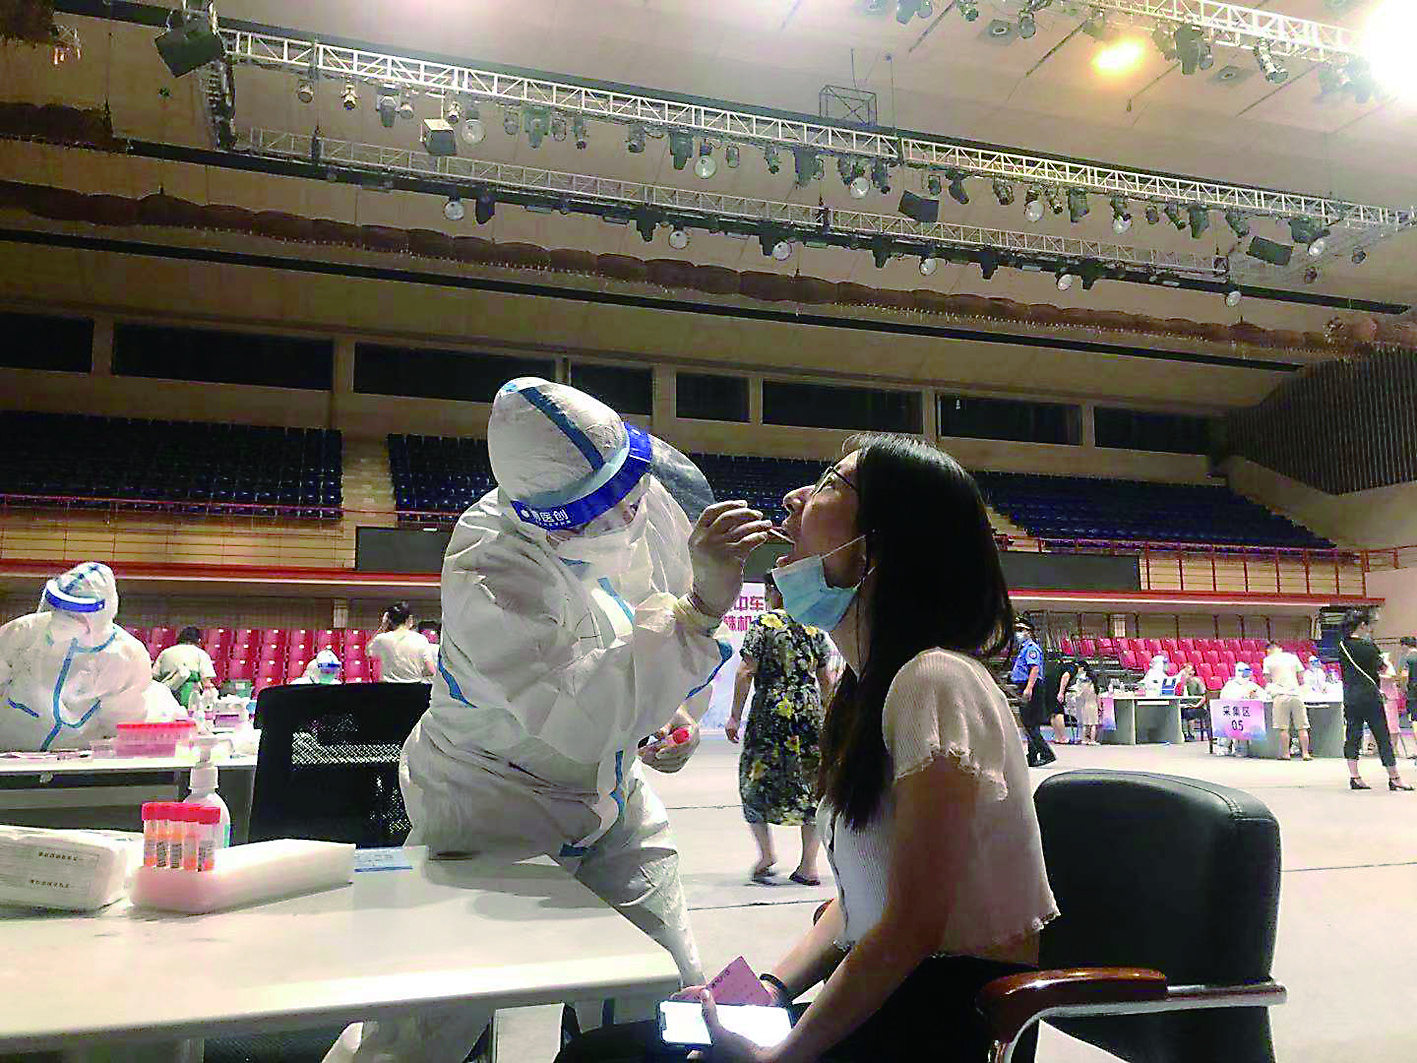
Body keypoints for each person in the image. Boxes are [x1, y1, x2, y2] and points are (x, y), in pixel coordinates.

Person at [557, 435, 1058, 1063]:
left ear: (873, 549)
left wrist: (781, 1056)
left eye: (828, 484)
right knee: (618, 1049)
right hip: (889, 994)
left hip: (936, 1020)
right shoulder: (865, 687)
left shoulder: (934, 682)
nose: (795, 498)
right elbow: (858, 907)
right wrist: (768, 991)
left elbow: (911, 927)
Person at [325, 378, 768, 1063]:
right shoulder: (490, 570)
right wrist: (701, 613)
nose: (631, 514)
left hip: (611, 798)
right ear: (550, 517)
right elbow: (581, 713)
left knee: (667, 988)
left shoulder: (626, 498)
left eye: (631, 493)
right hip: (490, 808)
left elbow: (650, 617)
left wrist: (676, 713)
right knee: (423, 1033)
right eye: (609, 508)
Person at [726, 573, 833, 885]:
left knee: (754, 778)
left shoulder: (763, 623)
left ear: (774, 590)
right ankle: (809, 865)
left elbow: (746, 672)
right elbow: (826, 679)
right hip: (809, 711)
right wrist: (831, 717)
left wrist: (734, 716)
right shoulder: (814, 625)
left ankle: (766, 855)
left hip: (771, 711)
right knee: (811, 783)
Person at [0, 562, 175, 751]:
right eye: (61, 608)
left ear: (101, 613)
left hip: (74, 758)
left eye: (76, 612)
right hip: (9, 753)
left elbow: (122, 722)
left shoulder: (126, 655)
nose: (65, 618)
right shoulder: (24, 631)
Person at [1338, 609, 1411, 791]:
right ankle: (1394, 777)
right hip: (1370, 695)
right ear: (1362, 625)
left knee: (1353, 735)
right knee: (1382, 736)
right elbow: (1382, 668)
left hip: (1351, 696)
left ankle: (1355, 777)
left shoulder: (1342, 645)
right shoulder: (1369, 646)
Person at [1010, 618, 1051, 767]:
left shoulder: (1031, 648)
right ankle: (1032, 755)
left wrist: (1028, 688)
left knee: (1029, 723)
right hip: (1026, 685)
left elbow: (1034, 668)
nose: (1018, 633)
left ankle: (1046, 753)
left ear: (1029, 632)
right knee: (1030, 723)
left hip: (1031, 686)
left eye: (1021, 630)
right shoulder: (1023, 648)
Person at [367, 600, 436, 683]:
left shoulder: (381, 639)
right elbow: (431, 670)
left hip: (387, 688)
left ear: (389, 620)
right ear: (410, 619)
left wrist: (383, 627)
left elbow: (368, 652)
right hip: (414, 688)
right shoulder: (420, 639)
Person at [1263, 640, 1310, 761]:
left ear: (1269, 650)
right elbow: (1301, 676)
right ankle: (1305, 753)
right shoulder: (1293, 657)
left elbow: (1267, 680)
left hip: (1280, 695)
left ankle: (1286, 754)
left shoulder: (1268, 660)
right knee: (1302, 727)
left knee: (1283, 728)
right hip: (1296, 694)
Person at [152, 626, 217, 708]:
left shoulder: (165, 653)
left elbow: (155, 676)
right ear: (198, 640)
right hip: (190, 698)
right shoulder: (201, 654)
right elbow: (206, 682)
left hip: (166, 695)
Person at [1217, 663, 1264, 757]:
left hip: (1249, 714)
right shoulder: (1230, 685)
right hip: (1231, 714)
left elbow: (1264, 696)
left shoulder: (1252, 685)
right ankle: (1224, 747)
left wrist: (1254, 696)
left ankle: (1243, 749)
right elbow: (1227, 700)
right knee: (1228, 723)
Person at [1068, 656, 1102, 745]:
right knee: (1093, 724)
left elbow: (1079, 694)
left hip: (1084, 705)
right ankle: (1092, 740)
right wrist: (1100, 707)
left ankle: (1084, 739)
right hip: (1093, 705)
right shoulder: (1094, 685)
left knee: (1085, 724)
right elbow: (1098, 697)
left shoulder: (1082, 682)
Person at [1172, 662, 1206, 741]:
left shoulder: (1198, 682)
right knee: (1179, 711)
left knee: (1189, 713)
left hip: (1197, 706)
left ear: (1193, 672)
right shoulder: (1180, 683)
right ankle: (1183, 734)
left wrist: (1196, 705)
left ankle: (1191, 734)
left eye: (1189, 671)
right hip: (1184, 705)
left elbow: (1204, 696)